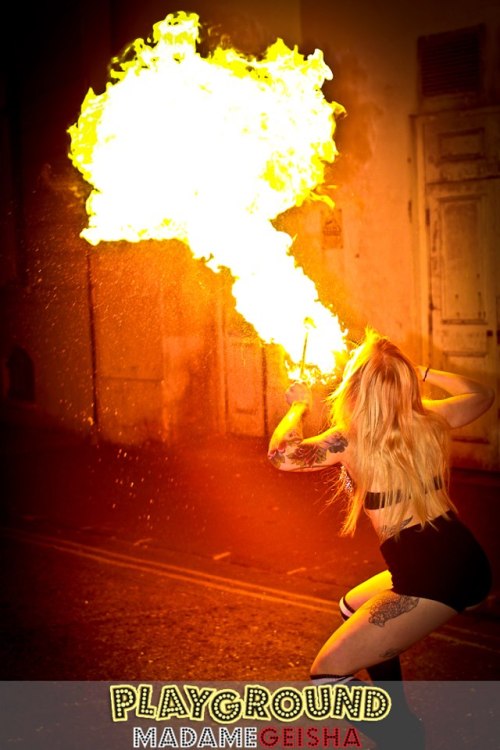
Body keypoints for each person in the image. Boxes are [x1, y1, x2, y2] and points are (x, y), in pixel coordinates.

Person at [267, 328, 494, 748]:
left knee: (328, 674)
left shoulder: (349, 439)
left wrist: (298, 407)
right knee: (351, 605)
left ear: (356, 387)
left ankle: (402, 734)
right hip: (456, 556)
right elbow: (482, 396)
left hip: (432, 575)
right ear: (402, 382)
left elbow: (282, 456)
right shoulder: (427, 416)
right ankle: (400, 714)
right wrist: (420, 372)